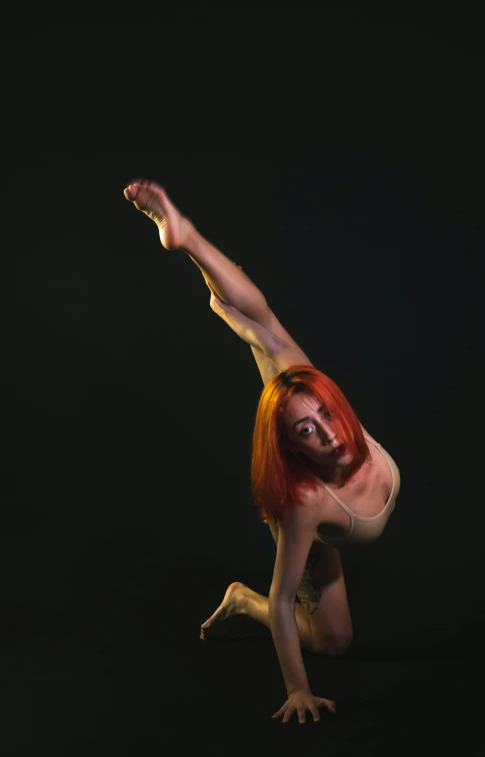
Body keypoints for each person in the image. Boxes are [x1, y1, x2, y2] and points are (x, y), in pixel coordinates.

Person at [123, 179, 401, 724]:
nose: (329, 434)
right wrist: (298, 690)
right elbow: (281, 601)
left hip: (297, 407)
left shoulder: (335, 414)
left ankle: (187, 238)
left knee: (266, 330)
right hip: (312, 520)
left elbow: (273, 330)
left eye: (325, 416)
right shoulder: (305, 503)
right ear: (294, 448)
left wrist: (251, 326)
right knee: (334, 644)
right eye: (307, 432)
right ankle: (237, 599)